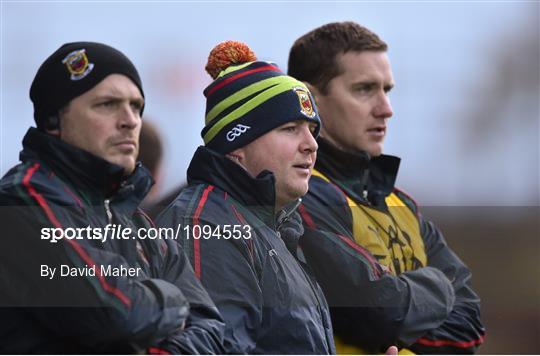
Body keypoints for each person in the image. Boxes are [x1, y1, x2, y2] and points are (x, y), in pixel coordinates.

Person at [0, 42, 224, 354]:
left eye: (136, 106)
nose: (130, 120)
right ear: (54, 120)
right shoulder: (22, 200)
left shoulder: (138, 222)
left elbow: (213, 331)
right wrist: (172, 296)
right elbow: (111, 312)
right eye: (107, 104)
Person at [288, 21, 485, 354]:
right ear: (309, 99)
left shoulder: (402, 203)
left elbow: (470, 327)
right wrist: (438, 287)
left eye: (387, 90)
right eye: (364, 89)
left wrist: (399, 308)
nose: (386, 109)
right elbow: (372, 313)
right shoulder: (299, 197)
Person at [156, 41, 335, 354]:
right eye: (291, 128)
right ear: (236, 144)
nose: (311, 144)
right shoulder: (204, 223)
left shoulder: (276, 228)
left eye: (312, 130)